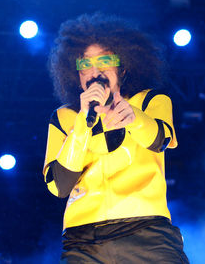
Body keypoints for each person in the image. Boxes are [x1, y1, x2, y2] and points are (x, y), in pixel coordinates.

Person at [43, 13, 189, 264]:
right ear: (75, 72)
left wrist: (134, 118)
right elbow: (58, 186)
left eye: (104, 61)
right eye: (85, 64)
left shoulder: (150, 101)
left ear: (122, 67)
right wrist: (81, 126)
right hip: (83, 242)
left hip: (147, 233)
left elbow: (162, 139)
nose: (94, 71)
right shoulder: (65, 118)